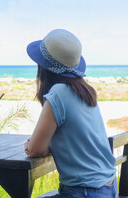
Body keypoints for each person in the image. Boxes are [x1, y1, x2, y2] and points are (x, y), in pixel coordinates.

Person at [24, 29, 118, 198]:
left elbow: (35, 150)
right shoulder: (85, 90)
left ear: (43, 67)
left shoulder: (59, 92)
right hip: (108, 189)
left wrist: (37, 147)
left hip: (85, 192)